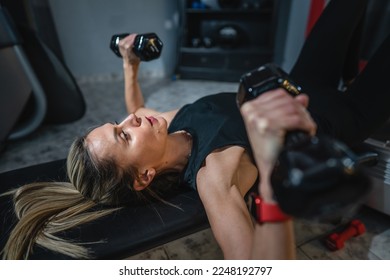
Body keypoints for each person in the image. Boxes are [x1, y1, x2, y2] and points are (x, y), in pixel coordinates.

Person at [1, 0, 389, 260]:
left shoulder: (168, 126)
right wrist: (272, 176)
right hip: (340, 117)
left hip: (296, 84)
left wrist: (129, 65)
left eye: (116, 123)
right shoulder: (212, 175)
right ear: (145, 177)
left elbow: (136, 109)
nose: (130, 120)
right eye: (123, 134)